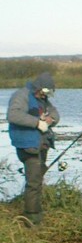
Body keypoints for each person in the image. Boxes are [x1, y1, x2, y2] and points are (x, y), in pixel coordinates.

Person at [6, 72, 60, 225]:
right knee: (34, 182)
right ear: (39, 88)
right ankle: (32, 218)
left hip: (41, 144)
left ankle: (35, 212)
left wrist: (51, 119)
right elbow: (13, 115)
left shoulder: (43, 99)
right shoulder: (21, 96)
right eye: (45, 92)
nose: (45, 95)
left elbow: (55, 113)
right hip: (27, 145)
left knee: (36, 179)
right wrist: (37, 123)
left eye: (48, 93)